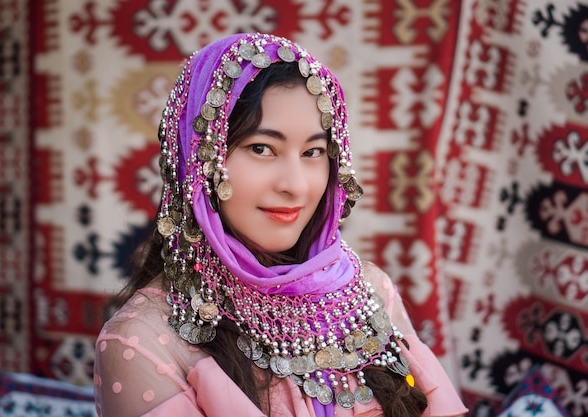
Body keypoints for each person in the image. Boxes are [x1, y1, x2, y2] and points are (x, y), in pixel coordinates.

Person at [93, 33, 468, 417]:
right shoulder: (143, 342)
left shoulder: (368, 292)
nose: (295, 185)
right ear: (197, 159)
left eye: (313, 152)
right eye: (261, 148)